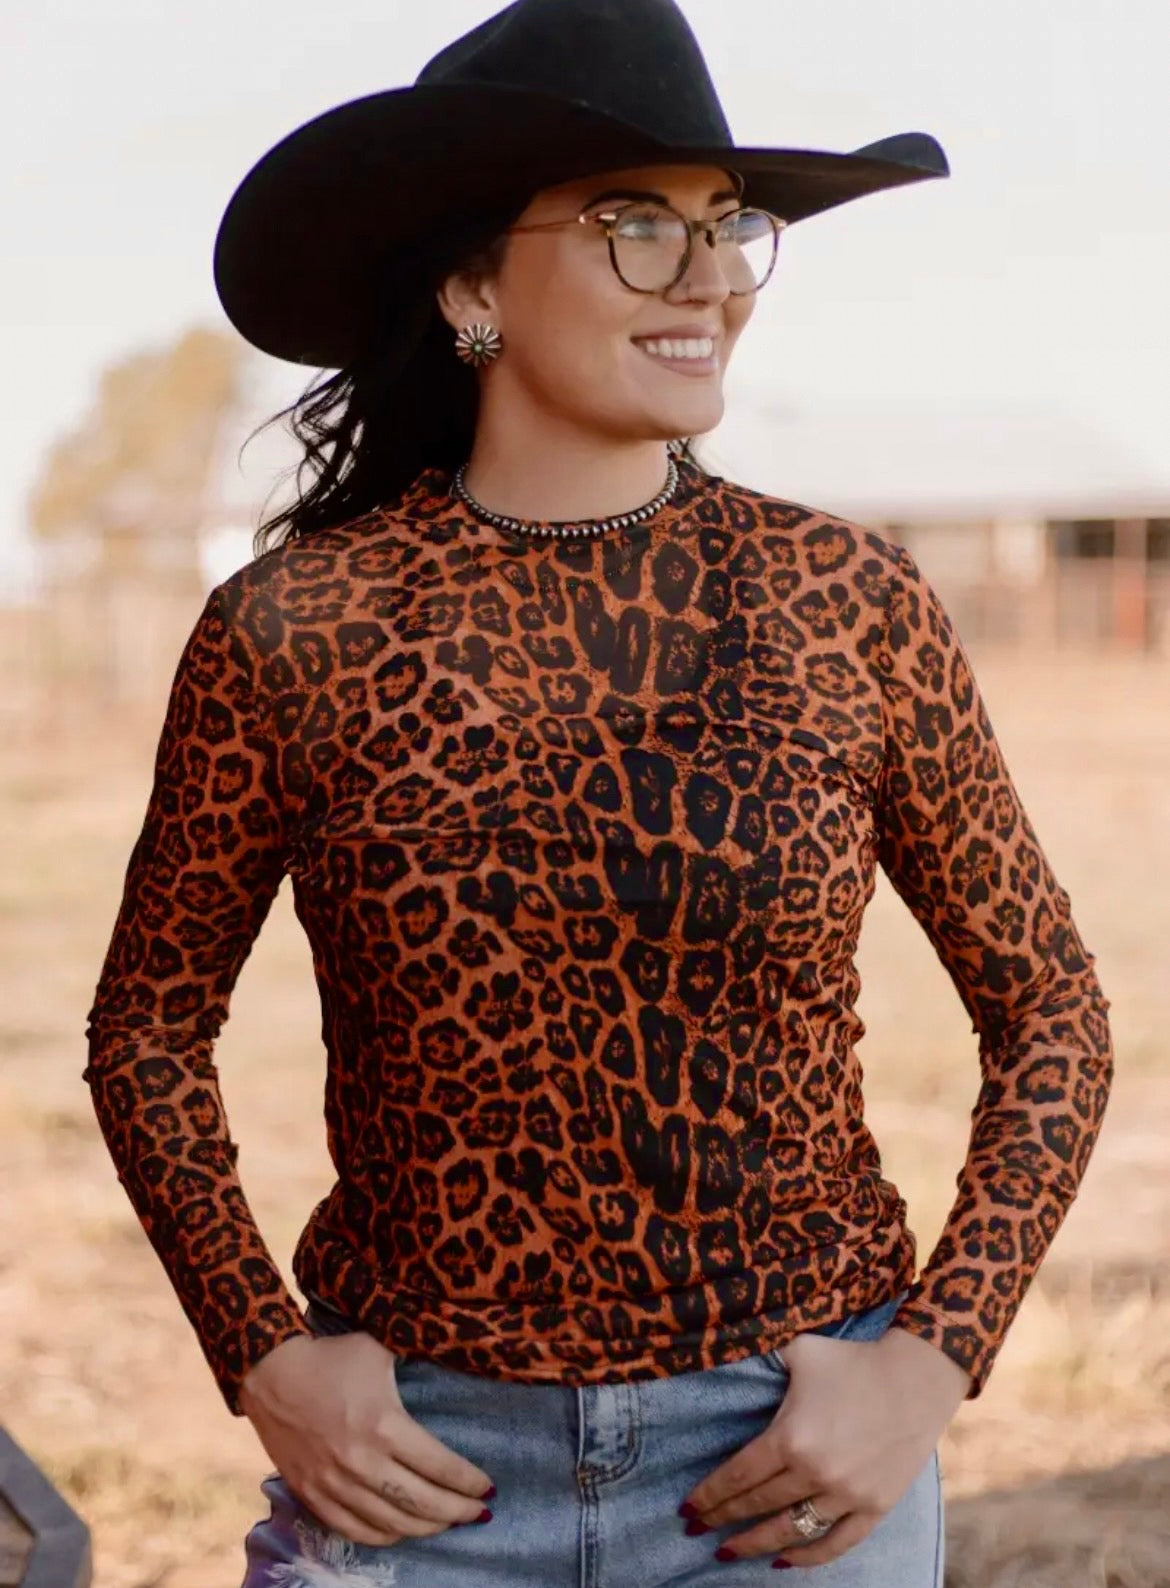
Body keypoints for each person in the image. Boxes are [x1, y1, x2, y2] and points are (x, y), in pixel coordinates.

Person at [82, 1, 1114, 1584]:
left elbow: (1048, 1001)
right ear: (469, 282)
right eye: (634, 226)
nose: (707, 276)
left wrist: (930, 1361)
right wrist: (265, 1352)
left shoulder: (849, 600)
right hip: (413, 1480)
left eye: (727, 227)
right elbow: (147, 1025)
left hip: (784, 1478)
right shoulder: (298, 630)